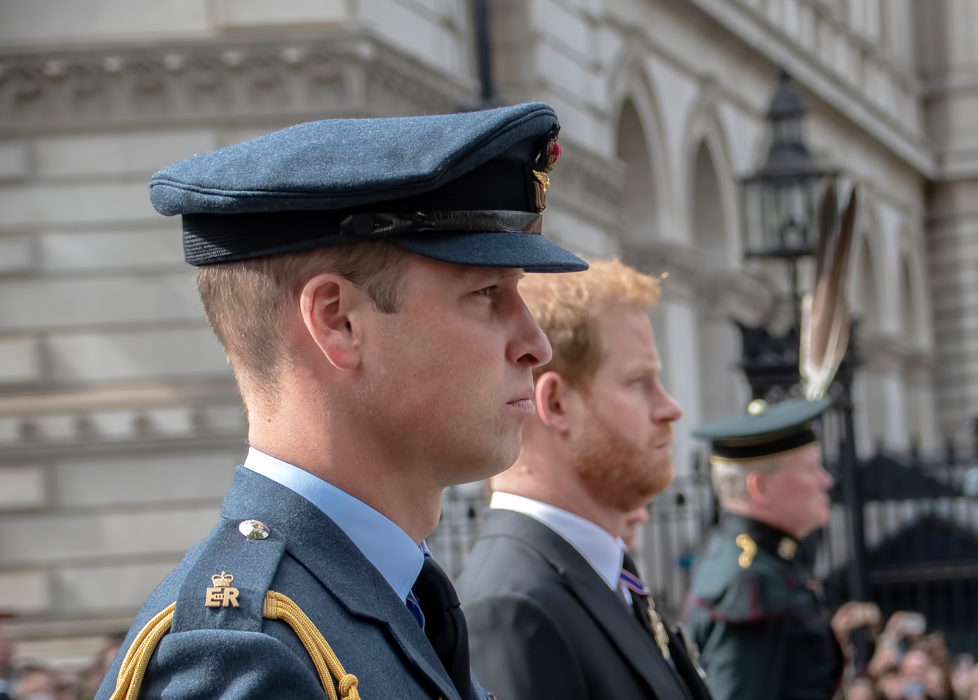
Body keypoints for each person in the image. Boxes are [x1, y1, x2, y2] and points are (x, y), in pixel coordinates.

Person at [94, 103, 587, 700]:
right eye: (486, 292)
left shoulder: (403, 597)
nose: (535, 344)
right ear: (338, 322)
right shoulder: (246, 656)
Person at [456, 259, 712, 700]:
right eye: (638, 382)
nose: (670, 408)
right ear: (554, 404)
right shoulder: (512, 607)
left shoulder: (602, 570)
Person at [685, 397, 845, 700]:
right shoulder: (749, 586)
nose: (826, 480)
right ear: (761, 487)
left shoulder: (763, 563)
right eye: (811, 469)